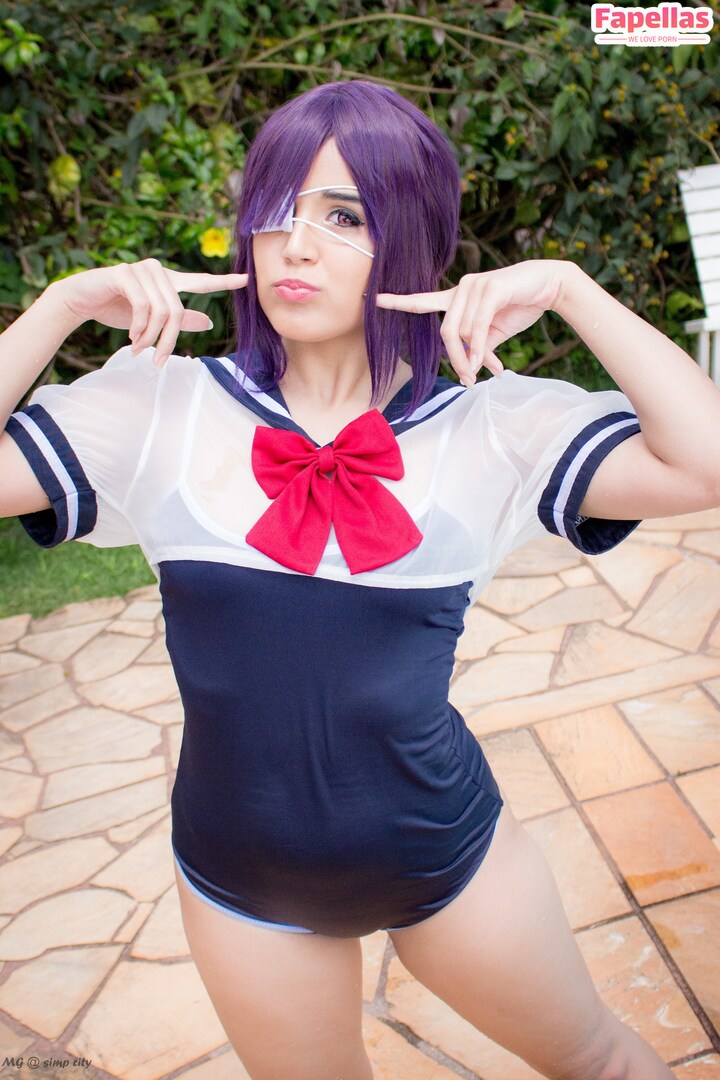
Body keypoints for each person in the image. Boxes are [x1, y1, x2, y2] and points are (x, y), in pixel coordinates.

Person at [0, 80, 717, 1080]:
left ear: (412, 242)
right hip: (241, 882)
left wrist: (568, 288)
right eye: (277, 210)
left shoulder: (488, 429)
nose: (296, 245)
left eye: (344, 217)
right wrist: (63, 305)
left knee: (599, 1060)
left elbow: (704, 464)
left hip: (449, 858)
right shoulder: (161, 409)